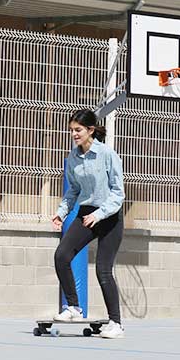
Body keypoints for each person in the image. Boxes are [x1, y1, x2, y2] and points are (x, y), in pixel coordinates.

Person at [52, 108, 126, 339]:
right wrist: (61, 213)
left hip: (109, 216)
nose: (74, 134)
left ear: (90, 130)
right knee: (62, 255)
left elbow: (118, 193)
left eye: (78, 130)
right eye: (72, 130)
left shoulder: (107, 154)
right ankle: (73, 307)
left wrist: (100, 214)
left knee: (103, 270)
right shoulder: (73, 157)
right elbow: (73, 189)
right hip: (86, 213)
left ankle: (116, 324)